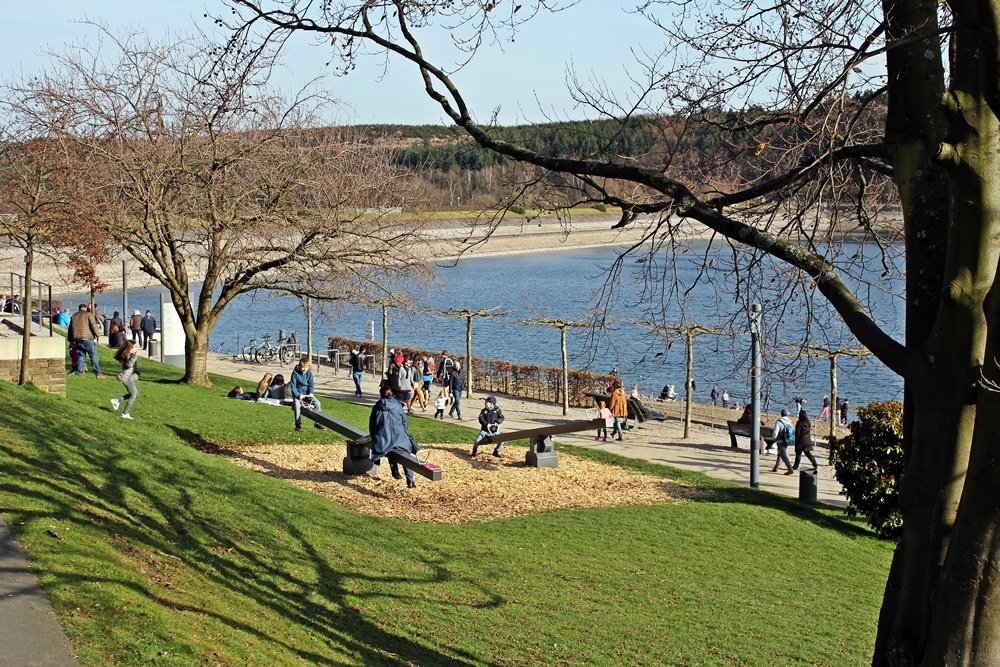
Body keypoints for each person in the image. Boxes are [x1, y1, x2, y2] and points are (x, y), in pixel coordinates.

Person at [369, 384, 419, 488]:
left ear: (381, 395)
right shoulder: (397, 406)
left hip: (383, 439)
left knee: (388, 447)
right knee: (405, 454)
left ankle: (394, 470)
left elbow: (372, 425)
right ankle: (410, 480)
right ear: (391, 394)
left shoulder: (377, 408)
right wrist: (402, 430)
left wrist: (375, 437)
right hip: (400, 438)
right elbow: (405, 421)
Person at [69, 304, 105, 378]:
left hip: (77, 339)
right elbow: (93, 325)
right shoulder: (88, 314)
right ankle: (98, 373)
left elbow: (70, 329)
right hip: (87, 338)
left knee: (81, 356)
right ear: (85, 308)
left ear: (79, 308)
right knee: (93, 356)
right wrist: (98, 336)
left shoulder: (73, 316)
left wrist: (70, 340)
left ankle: (79, 373)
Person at [290, 357, 323, 431]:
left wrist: (311, 393)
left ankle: (317, 423)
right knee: (296, 405)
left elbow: (311, 385)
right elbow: (293, 387)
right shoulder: (295, 373)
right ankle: (298, 424)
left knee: (317, 403)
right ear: (299, 366)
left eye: (306, 368)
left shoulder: (309, 373)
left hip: (306, 394)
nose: (304, 370)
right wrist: (299, 395)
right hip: (298, 394)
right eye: (302, 368)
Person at [109, 340, 140, 420]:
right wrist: (134, 356)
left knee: (135, 393)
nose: (137, 348)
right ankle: (125, 413)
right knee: (133, 394)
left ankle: (117, 401)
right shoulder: (128, 355)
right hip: (127, 378)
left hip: (129, 377)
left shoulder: (129, 354)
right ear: (130, 348)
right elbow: (129, 365)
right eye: (135, 347)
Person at [771, 408, 795, 474]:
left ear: (781, 414)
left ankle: (790, 469)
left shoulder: (779, 422)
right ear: (787, 414)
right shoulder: (789, 422)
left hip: (780, 440)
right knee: (780, 453)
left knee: (783, 454)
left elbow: (775, 432)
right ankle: (776, 467)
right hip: (787, 440)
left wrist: (774, 438)